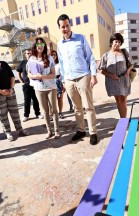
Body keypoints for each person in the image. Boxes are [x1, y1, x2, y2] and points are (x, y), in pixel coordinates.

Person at [57, 14, 98, 145]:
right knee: (76, 108)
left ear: (70, 25)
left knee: (88, 107)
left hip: (83, 77)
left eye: (67, 25)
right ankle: (81, 130)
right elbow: (62, 63)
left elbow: (90, 57)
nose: (65, 28)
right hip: (69, 80)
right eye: (62, 26)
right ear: (59, 28)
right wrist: (63, 80)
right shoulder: (59, 44)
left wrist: (93, 75)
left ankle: (93, 132)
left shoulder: (80, 38)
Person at [0, 46, 29, 141]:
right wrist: (0, 91)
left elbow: (11, 76)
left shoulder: (3, 64)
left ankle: (20, 130)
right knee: (2, 114)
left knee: (14, 111)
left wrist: (11, 88)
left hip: (10, 91)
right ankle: (8, 132)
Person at [27, 37, 60, 139]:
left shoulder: (49, 58)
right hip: (39, 88)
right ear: (35, 46)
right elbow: (28, 74)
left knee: (53, 109)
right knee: (44, 111)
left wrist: (43, 77)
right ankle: (49, 131)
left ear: (44, 46)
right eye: (38, 44)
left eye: (41, 44)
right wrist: (34, 76)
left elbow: (53, 74)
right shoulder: (31, 59)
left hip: (51, 87)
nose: (40, 46)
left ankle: (57, 131)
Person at [98, 33, 134, 118]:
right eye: (116, 41)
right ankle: (122, 118)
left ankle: (124, 120)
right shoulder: (106, 55)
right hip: (112, 81)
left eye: (119, 42)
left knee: (123, 100)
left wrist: (128, 70)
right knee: (118, 100)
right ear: (111, 42)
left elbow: (131, 64)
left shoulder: (124, 52)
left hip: (124, 80)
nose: (118, 44)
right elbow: (100, 70)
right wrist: (110, 75)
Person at [17, 49, 43, 122]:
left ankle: (38, 113)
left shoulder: (35, 62)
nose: (29, 54)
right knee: (27, 100)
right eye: (28, 53)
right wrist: (22, 82)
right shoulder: (23, 63)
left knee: (36, 99)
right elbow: (18, 73)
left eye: (30, 53)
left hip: (35, 84)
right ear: (25, 54)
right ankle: (26, 115)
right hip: (26, 85)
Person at [50, 49, 73, 119]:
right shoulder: (47, 64)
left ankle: (60, 112)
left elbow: (63, 74)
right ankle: (52, 114)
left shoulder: (59, 64)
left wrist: (63, 84)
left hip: (59, 82)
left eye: (55, 55)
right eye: (52, 55)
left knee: (60, 98)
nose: (53, 56)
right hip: (50, 82)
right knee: (51, 100)